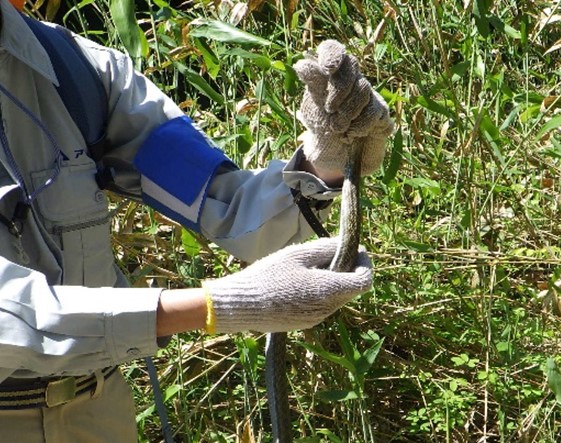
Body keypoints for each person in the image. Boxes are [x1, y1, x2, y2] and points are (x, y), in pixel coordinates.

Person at [0, 0, 393, 441]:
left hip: (99, 414)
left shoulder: (76, 71)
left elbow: (218, 199)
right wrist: (217, 306)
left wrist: (327, 163)